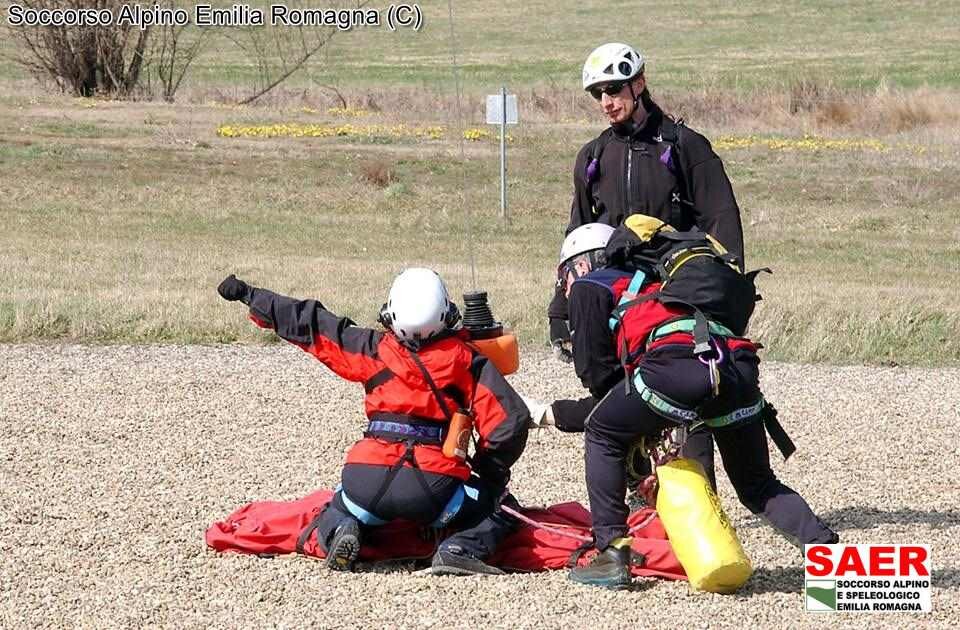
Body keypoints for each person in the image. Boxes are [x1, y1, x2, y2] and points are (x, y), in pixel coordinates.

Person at [545, 224, 837, 590]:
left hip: (678, 366)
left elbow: (597, 377)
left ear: (582, 264)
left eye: (565, 276)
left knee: (603, 431)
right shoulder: (667, 280)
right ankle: (834, 561)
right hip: (734, 364)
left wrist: (626, 424)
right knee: (757, 484)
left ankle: (611, 554)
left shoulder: (591, 285)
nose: (565, 288)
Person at [216, 268, 530, 575]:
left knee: (334, 506)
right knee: (503, 506)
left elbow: (311, 322)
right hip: (434, 494)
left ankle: (342, 527)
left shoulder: (370, 349)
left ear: (390, 312)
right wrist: (489, 472)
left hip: (364, 484)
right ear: (446, 312)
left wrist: (249, 295)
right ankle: (459, 549)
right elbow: (510, 421)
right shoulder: (466, 360)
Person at [548, 42, 748, 488]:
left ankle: (700, 500)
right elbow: (577, 237)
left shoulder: (684, 146)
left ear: (639, 84)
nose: (606, 102)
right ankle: (635, 494)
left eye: (614, 89)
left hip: (674, 294)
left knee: (687, 400)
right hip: (617, 301)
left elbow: (722, 221)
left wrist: (725, 293)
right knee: (617, 398)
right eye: (597, 93)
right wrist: (561, 311)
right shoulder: (593, 157)